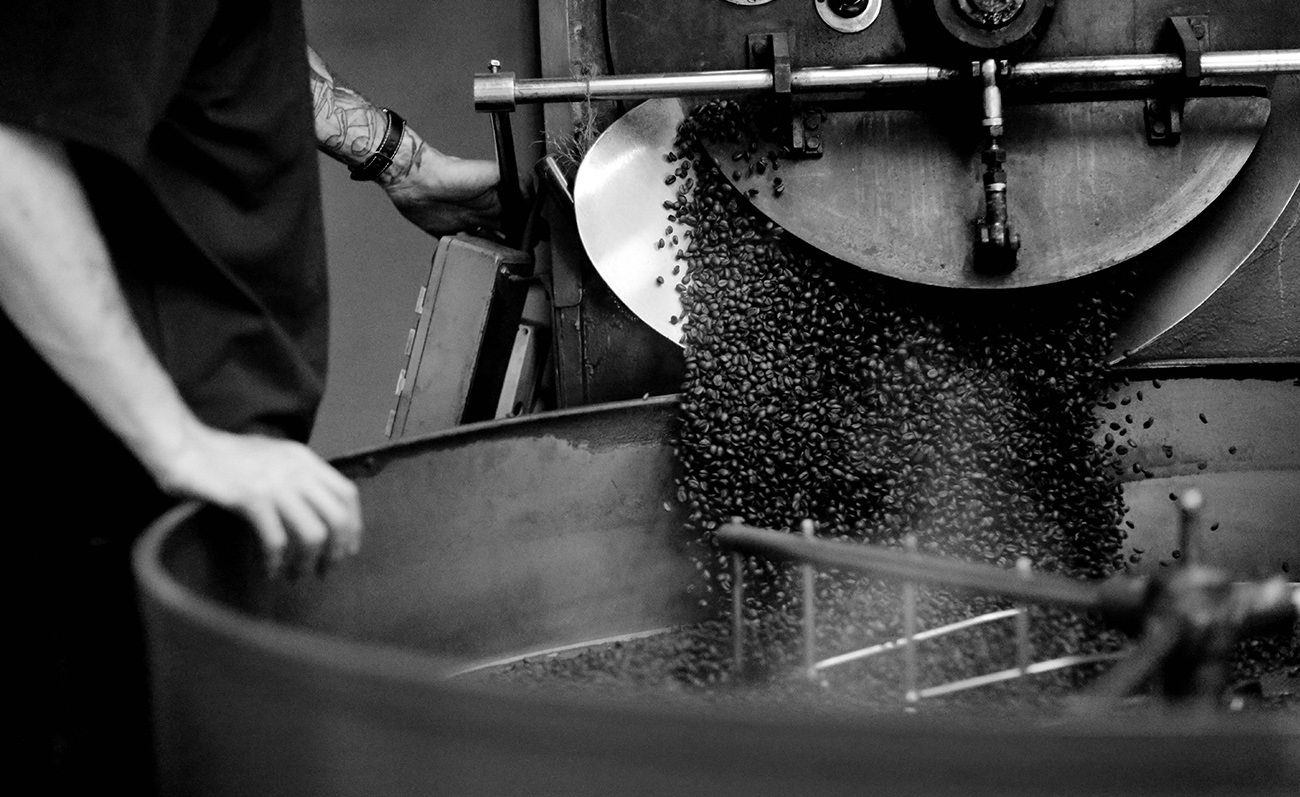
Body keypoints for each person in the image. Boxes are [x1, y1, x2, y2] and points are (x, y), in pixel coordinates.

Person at [1, 2, 504, 791]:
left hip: (177, 487)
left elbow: (211, 41)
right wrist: (176, 439)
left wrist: (395, 157)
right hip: (97, 503)